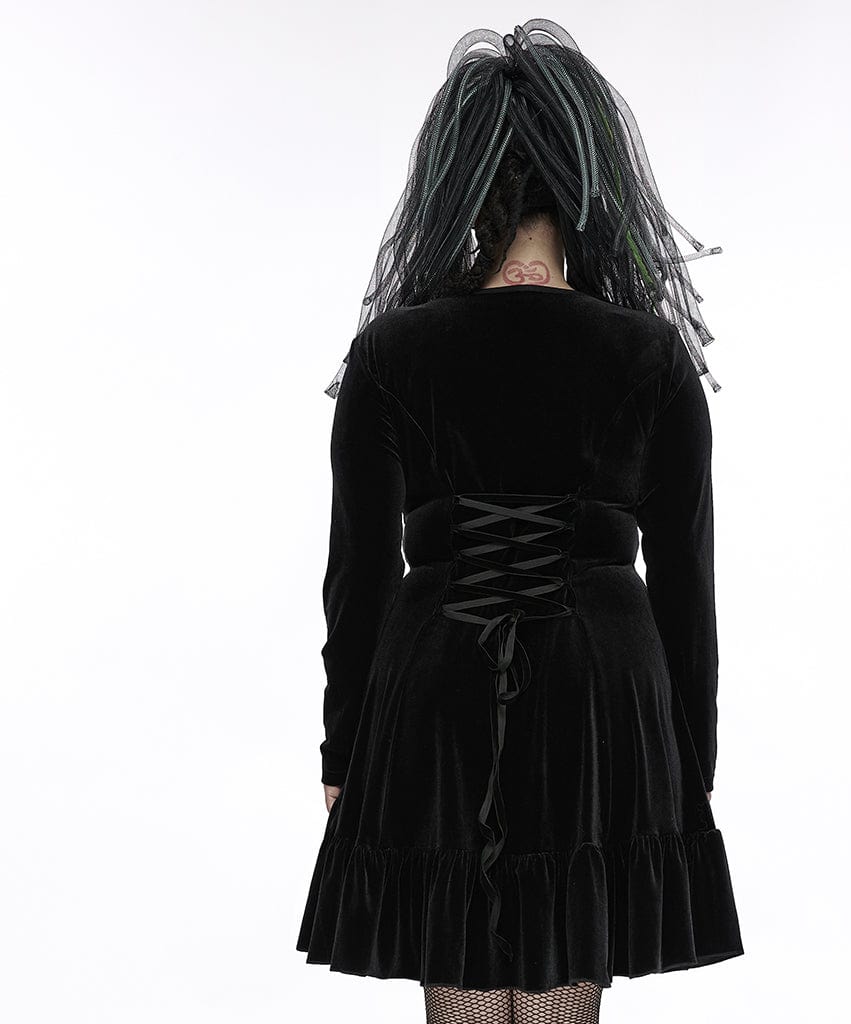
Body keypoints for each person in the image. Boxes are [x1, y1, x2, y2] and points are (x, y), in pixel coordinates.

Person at [295, 19, 744, 1022]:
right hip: (602, 696)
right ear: (591, 189)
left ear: (459, 190)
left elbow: (357, 573)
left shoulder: (393, 351)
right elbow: (685, 577)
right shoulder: (650, 353)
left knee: (459, 975)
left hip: (436, 686)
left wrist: (341, 748)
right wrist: (691, 760)